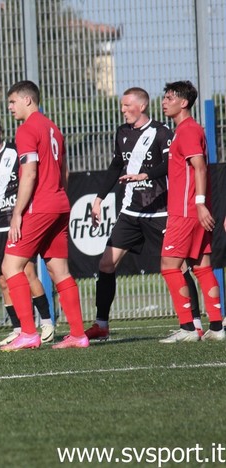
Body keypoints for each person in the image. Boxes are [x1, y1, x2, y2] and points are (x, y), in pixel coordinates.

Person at [86, 87, 202, 340]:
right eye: (122, 106)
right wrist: (99, 199)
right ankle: (101, 324)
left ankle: (194, 322)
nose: (123, 110)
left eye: (127, 105)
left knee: (179, 266)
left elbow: (169, 165)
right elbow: (116, 166)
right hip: (130, 211)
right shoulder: (122, 132)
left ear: (141, 106)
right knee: (106, 264)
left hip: (159, 211)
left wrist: (145, 175)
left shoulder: (161, 133)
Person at [0, 80, 88, 351]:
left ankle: (28, 333)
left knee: (10, 267)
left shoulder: (27, 129)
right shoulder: (53, 128)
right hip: (61, 203)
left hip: (40, 206)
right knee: (58, 269)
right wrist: (58, 194)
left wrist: (18, 213)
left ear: (28, 100)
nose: (10, 107)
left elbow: (30, 173)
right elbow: (65, 170)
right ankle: (78, 334)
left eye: (13, 102)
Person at [0, 112, 54, 346]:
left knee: (27, 272)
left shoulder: (16, 152)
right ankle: (19, 328)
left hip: (19, 222)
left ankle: (46, 322)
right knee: (3, 278)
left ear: (0, 131)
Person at [152, 81, 222, 342]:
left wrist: (200, 202)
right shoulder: (183, 131)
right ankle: (216, 327)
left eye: (170, 97)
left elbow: (201, 167)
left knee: (169, 267)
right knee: (202, 266)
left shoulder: (189, 130)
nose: (164, 101)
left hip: (186, 212)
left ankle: (188, 329)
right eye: (165, 97)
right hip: (194, 211)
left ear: (184, 102)